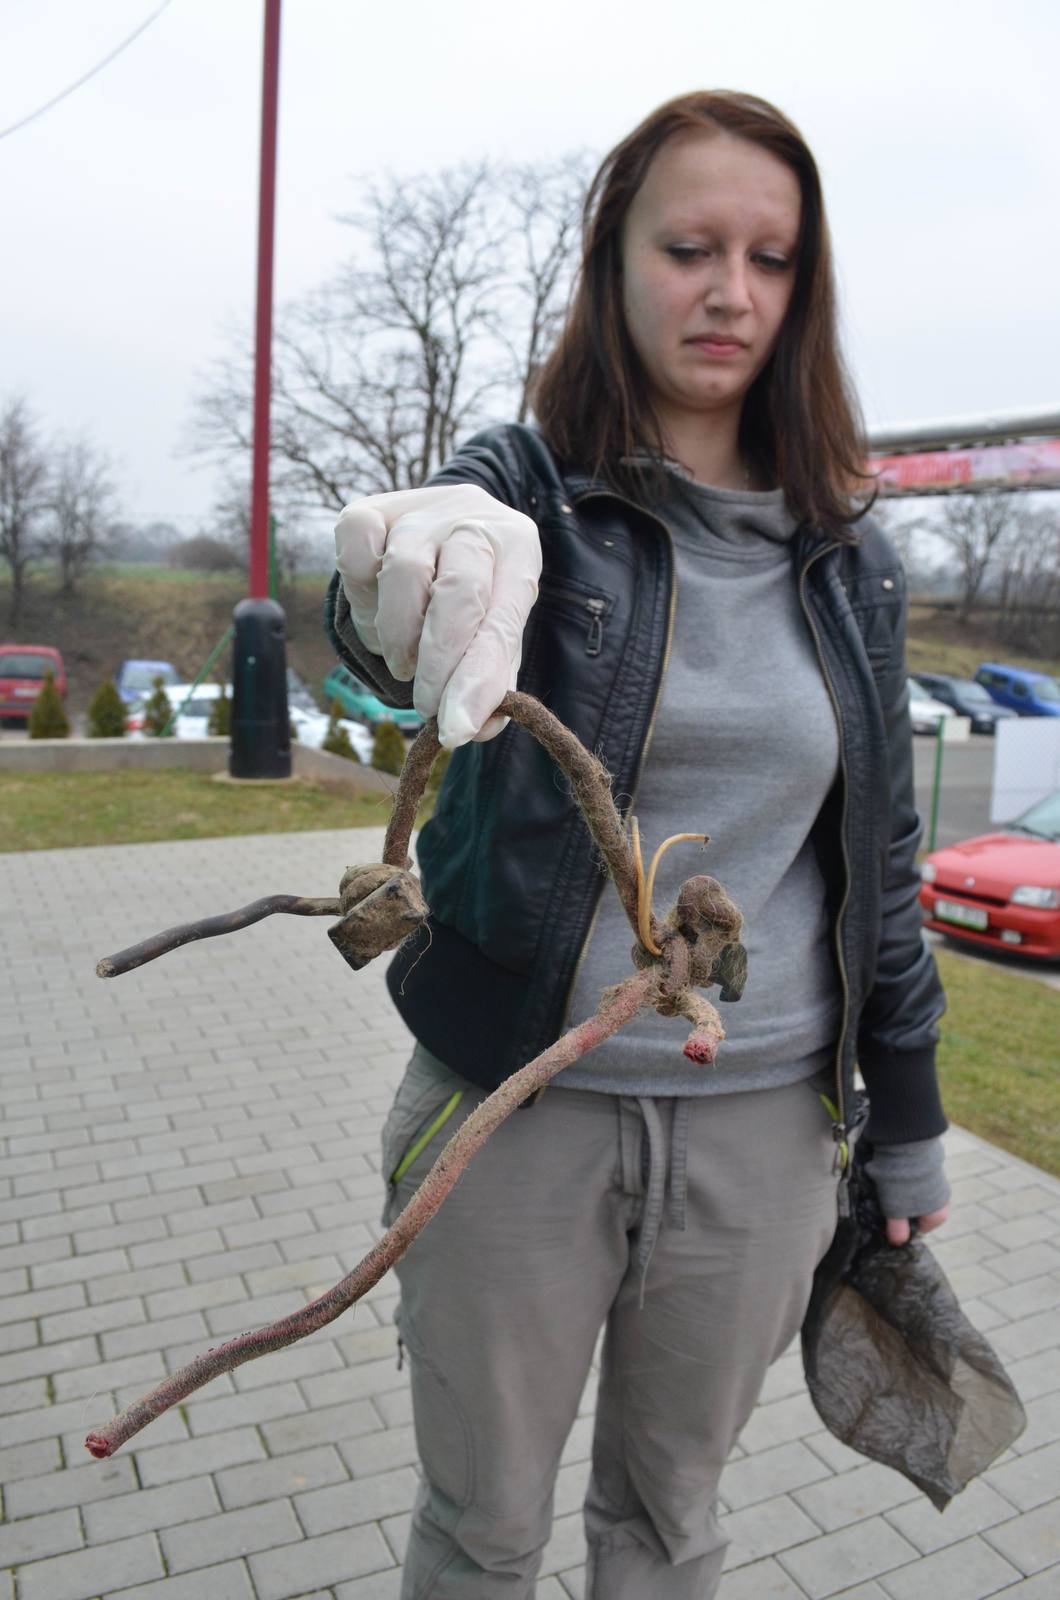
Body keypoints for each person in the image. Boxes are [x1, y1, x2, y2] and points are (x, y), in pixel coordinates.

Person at [325, 90, 951, 1600]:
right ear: (614, 264)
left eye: (771, 255)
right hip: (513, 1117)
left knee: (671, 1526)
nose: (731, 290)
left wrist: (913, 1115)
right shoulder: (530, 495)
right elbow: (405, 603)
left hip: (765, 1138)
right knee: (482, 1531)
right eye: (688, 247)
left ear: (806, 288)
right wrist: (401, 581)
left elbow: (884, 858)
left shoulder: (849, 555)